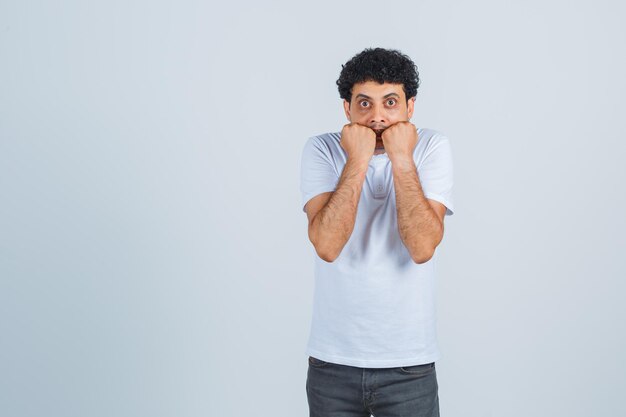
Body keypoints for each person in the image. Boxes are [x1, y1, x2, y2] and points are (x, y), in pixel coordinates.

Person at [299, 47, 455, 417]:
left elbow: (421, 247)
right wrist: (357, 158)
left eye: (390, 102)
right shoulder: (322, 149)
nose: (378, 117)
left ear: (410, 107)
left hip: (409, 366)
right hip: (332, 364)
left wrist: (402, 158)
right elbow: (326, 245)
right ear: (347, 109)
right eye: (364, 103)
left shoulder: (432, 147)